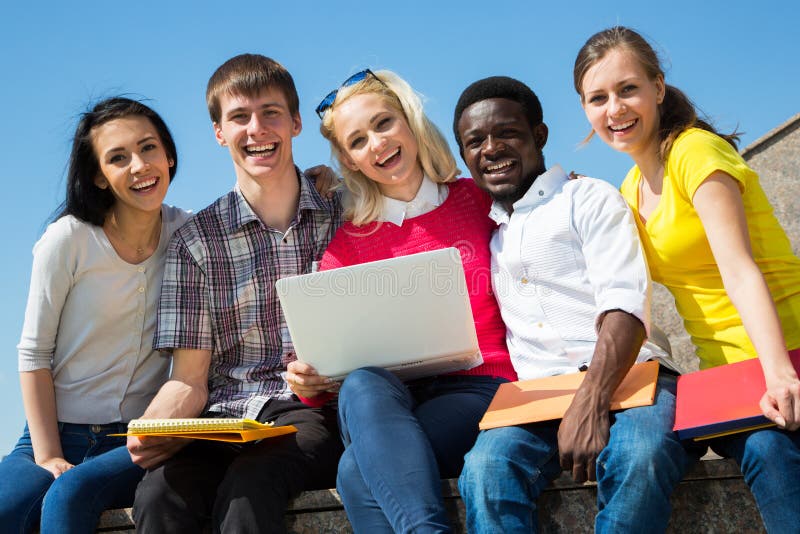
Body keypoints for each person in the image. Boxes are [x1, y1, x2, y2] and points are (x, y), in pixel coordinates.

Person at [574, 26, 800, 532]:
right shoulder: (628, 191)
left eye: (628, 89)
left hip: (786, 352)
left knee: (772, 450)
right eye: (598, 97)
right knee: (759, 444)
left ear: (657, 87)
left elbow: (739, 271)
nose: (615, 109)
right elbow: (637, 311)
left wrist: (781, 373)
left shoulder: (695, 152)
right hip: (728, 381)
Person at [285, 69, 517, 533]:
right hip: (390, 403)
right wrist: (308, 381)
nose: (376, 143)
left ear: (409, 122)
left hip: (482, 388)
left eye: (383, 123)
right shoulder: (344, 247)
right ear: (349, 161)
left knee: (356, 473)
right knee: (361, 384)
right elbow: (327, 366)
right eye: (357, 141)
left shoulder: (479, 201)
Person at [452, 76, 687, 533]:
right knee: (483, 473)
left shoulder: (589, 196)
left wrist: (592, 400)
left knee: (640, 457)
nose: (491, 148)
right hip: (537, 396)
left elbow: (625, 305)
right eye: (474, 141)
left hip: (633, 376)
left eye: (508, 133)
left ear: (539, 135)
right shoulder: (486, 230)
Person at [128, 54, 344, 533]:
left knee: (251, 484)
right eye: (239, 117)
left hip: (309, 413)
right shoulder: (196, 242)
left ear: (295, 122)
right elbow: (189, 378)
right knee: (159, 492)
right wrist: (152, 428)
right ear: (219, 133)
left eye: (270, 113)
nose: (256, 129)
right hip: (221, 417)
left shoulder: (343, 211)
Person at [0, 97, 191, 533]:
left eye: (148, 148)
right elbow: (33, 353)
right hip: (50, 434)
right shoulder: (67, 240)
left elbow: (255, 203)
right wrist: (49, 456)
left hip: (133, 441)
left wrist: (325, 179)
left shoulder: (189, 234)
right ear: (98, 177)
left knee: (69, 502)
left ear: (169, 154)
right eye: (118, 158)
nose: (139, 165)